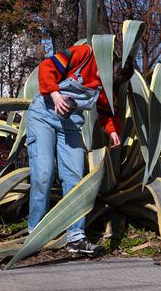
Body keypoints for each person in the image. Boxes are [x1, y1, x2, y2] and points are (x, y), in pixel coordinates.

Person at [26, 43, 133, 256]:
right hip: (43, 116)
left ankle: (75, 238)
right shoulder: (85, 54)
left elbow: (105, 109)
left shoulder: (106, 84)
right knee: (43, 175)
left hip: (70, 125)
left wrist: (112, 131)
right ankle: (34, 233)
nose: (107, 84)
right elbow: (47, 66)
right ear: (109, 65)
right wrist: (54, 93)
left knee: (75, 179)